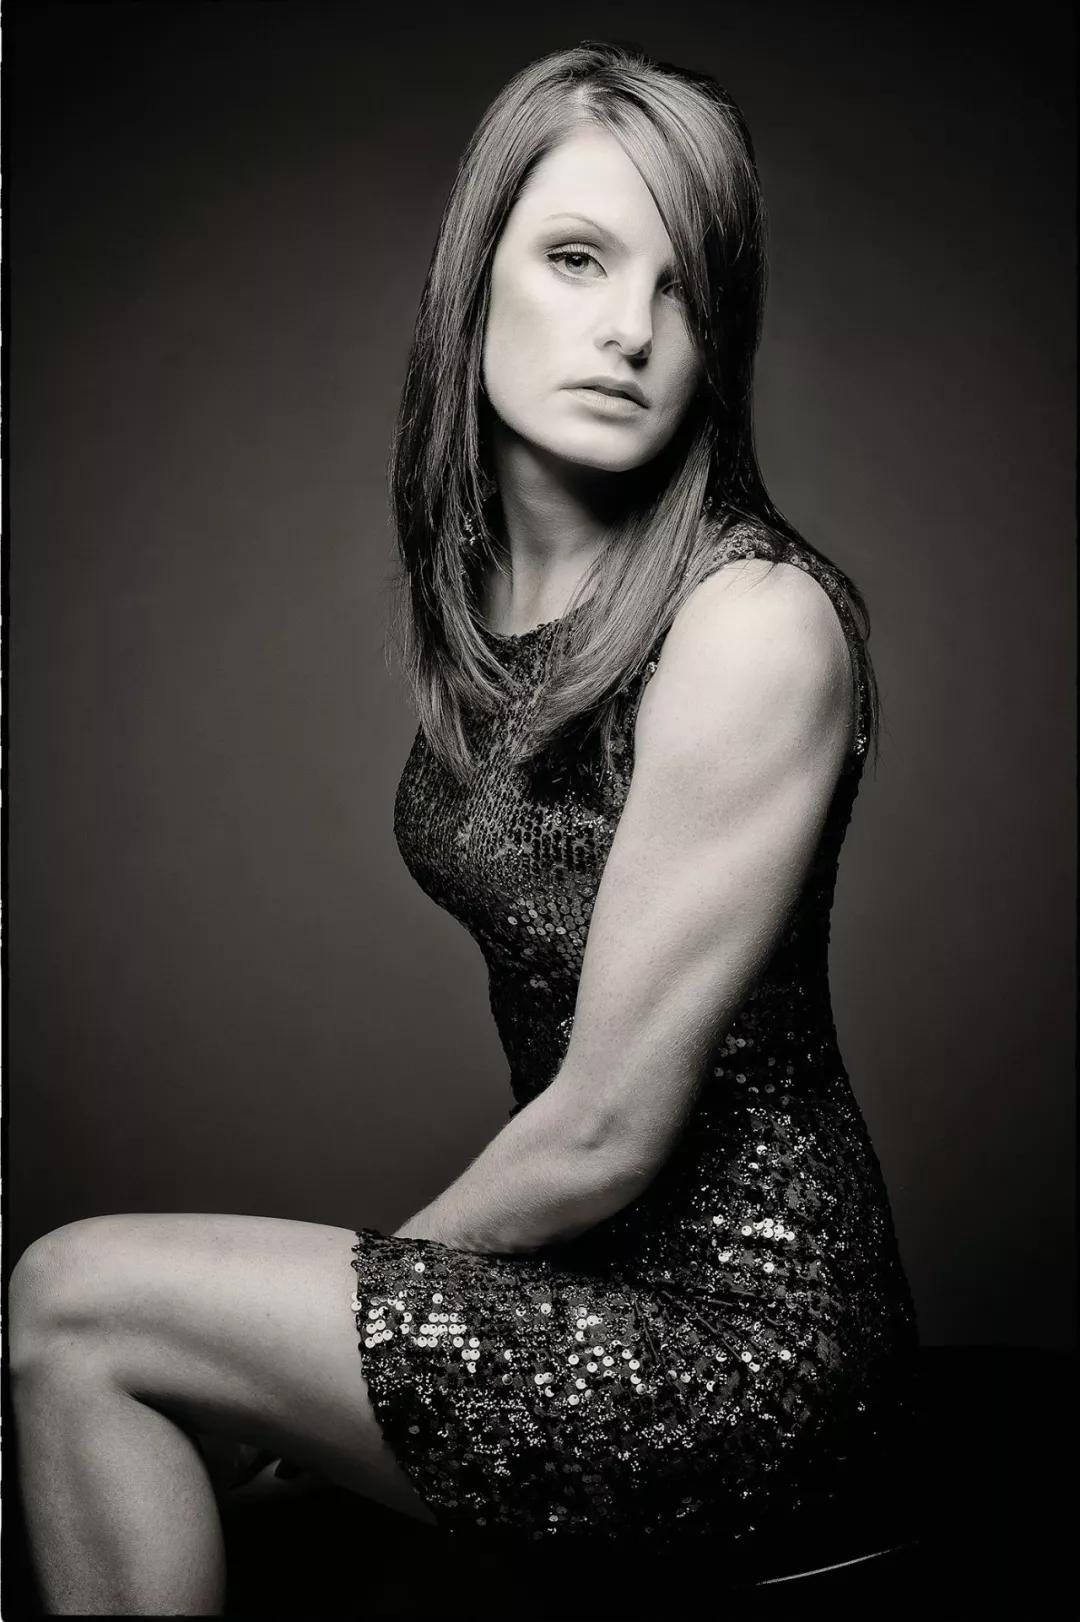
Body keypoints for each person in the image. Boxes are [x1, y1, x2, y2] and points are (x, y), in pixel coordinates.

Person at [9, 39, 917, 1614]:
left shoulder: (750, 621)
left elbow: (606, 1127)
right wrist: (336, 1326)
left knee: (71, 1298)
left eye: (685, 289)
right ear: (473, 279)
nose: (631, 329)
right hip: (583, 1298)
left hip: (755, 1355)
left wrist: (358, 1312)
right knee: (118, 1369)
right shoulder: (507, 617)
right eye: (578, 259)